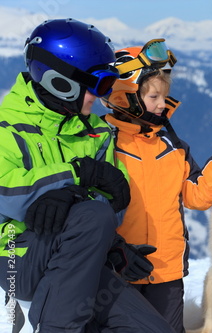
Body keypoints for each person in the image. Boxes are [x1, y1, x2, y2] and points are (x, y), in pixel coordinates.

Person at [0, 18, 175, 332]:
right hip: (14, 259)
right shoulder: (6, 128)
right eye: (97, 85)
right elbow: (4, 191)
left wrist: (109, 241)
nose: (99, 95)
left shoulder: (96, 133)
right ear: (60, 81)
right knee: (91, 213)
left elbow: (114, 205)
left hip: (73, 260)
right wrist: (75, 176)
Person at [101, 40, 212, 333]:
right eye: (153, 96)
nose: (163, 104)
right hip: (119, 271)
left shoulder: (173, 146)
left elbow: (198, 196)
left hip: (167, 272)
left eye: (165, 96)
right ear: (125, 96)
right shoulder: (103, 143)